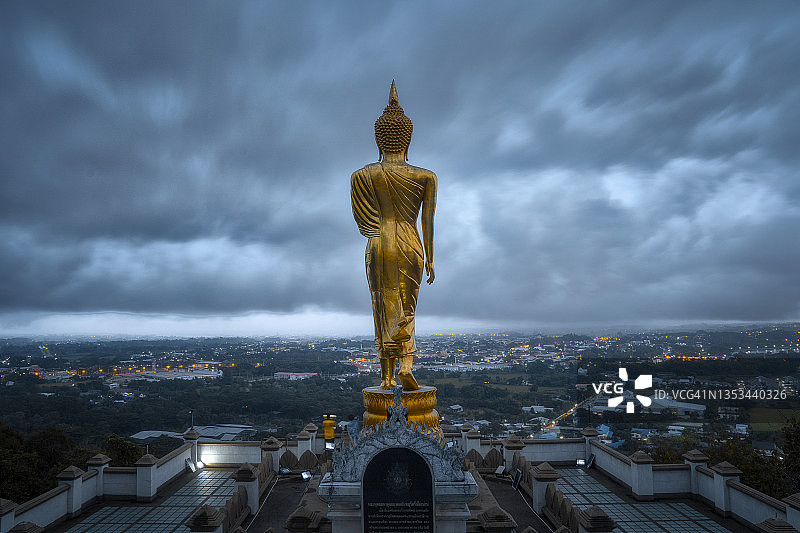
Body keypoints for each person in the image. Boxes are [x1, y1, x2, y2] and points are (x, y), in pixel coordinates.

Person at [350, 81, 437, 391]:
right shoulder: (426, 177)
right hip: (411, 245)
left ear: (379, 139)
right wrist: (430, 257)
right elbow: (427, 221)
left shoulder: (362, 175)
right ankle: (405, 366)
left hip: (377, 245)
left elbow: (364, 220)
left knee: (381, 304)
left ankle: (386, 377)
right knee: (407, 307)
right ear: (408, 139)